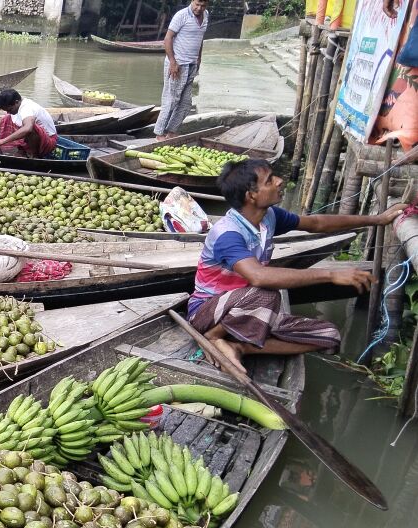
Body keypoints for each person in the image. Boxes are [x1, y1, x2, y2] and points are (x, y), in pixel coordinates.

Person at [188, 158, 406, 372]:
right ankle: (213, 336)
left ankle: (241, 346)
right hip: (208, 313)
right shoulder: (228, 234)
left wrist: (377, 220)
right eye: (269, 180)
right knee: (266, 293)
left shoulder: (268, 217)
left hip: (251, 311)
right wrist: (330, 275)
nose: (279, 181)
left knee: (329, 336)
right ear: (251, 195)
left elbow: (316, 223)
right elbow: (259, 277)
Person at [155, 0, 209, 140]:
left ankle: (172, 131)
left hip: (192, 64)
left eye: (203, 5)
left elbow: (200, 38)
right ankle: (159, 133)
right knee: (171, 100)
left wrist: (199, 58)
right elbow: (168, 38)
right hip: (178, 64)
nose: (199, 8)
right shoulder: (181, 15)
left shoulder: (206, 15)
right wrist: (173, 62)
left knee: (185, 103)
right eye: (197, 4)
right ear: (192, 1)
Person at [0, 89, 58, 159]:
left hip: (48, 142)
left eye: (10, 109)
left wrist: (3, 141)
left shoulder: (27, 108)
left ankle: (35, 156)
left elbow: (28, 129)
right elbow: (3, 128)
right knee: (7, 118)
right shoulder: (17, 108)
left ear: (16, 102)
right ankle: (23, 149)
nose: (8, 112)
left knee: (30, 128)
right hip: (37, 139)